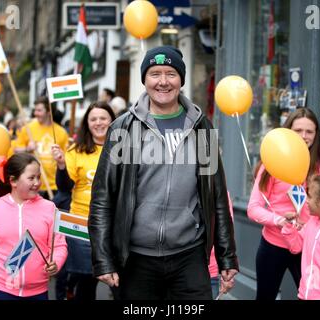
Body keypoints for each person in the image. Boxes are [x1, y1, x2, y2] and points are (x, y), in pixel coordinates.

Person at [89, 45, 238, 300]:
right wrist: (102, 258)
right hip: (135, 259)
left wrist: (227, 256)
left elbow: (217, 198)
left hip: (188, 257)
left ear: (181, 79)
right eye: (154, 73)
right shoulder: (123, 129)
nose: (163, 81)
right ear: (144, 80)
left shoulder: (201, 128)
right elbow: (103, 199)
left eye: (170, 73)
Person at [247, 107, 320, 300]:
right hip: (273, 245)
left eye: (309, 131)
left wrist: (310, 224)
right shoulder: (272, 164)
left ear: (316, 134)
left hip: (309, 247)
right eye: (298, 130)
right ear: (288, 131)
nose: (303, 136)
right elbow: (253, 208)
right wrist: (278, 220)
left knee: (313, 297)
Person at [0, 153, 67, 300]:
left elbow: (59, 245)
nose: (37, 182)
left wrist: (56, 262)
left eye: (38, 177)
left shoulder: (50, 207)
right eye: (31, 178)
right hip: (0, 289)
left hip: (38, 291)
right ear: (13, 181)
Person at [51, 101, 115, 300]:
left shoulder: (124, 151)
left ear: (112, 121)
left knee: (119, 284)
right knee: (86, 283)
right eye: (93, 119)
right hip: (83, 224)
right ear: (87, 123)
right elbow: (64, 188)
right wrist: (61, 165)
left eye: (103, 118)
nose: (98, 123)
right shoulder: (74, 151)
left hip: (114, 226)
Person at [14, 96, 69, 199]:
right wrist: (27, 149)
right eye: (35, 110)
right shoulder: (28, 128)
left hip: (53, 186)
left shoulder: (61, 132)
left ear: (49, 112)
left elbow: (67, 160)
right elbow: (16, 151)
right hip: (32, 185)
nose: (35, 113)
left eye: (39, 110)